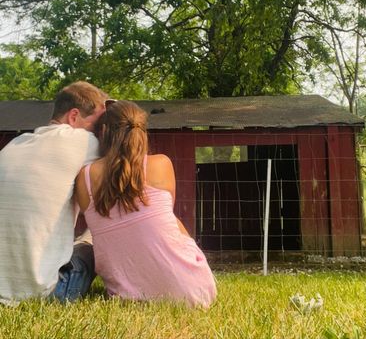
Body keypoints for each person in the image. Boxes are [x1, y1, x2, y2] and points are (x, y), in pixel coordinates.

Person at [74, 100, 217, 307]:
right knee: (169, 220)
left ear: (103, 131)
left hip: (129, 299)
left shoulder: (85, 178)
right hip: (197, 290)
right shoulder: (161, 164)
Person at [0, 81, 108, 304]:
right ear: (74, 116)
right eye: (96, 124)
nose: (98, 131)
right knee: (94, 238)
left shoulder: (15, 144)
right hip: (46, 294)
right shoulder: (84, 140)